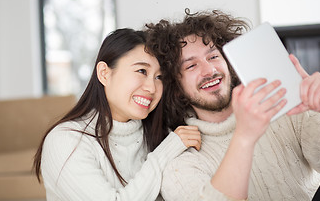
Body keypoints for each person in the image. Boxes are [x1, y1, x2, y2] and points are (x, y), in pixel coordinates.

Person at [144, 9, 320, 201]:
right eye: (191, 66)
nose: (210, 70)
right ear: (176, 87)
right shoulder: (180, 162)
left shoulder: (285, 108)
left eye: (213, 57)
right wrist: (244, 136)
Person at [33, 28, 201, 201]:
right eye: (142, 71)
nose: (152, 88)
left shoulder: (160, 134)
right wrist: (166, 151)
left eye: (159, 77)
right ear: (104, 73)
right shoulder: (67, 140)